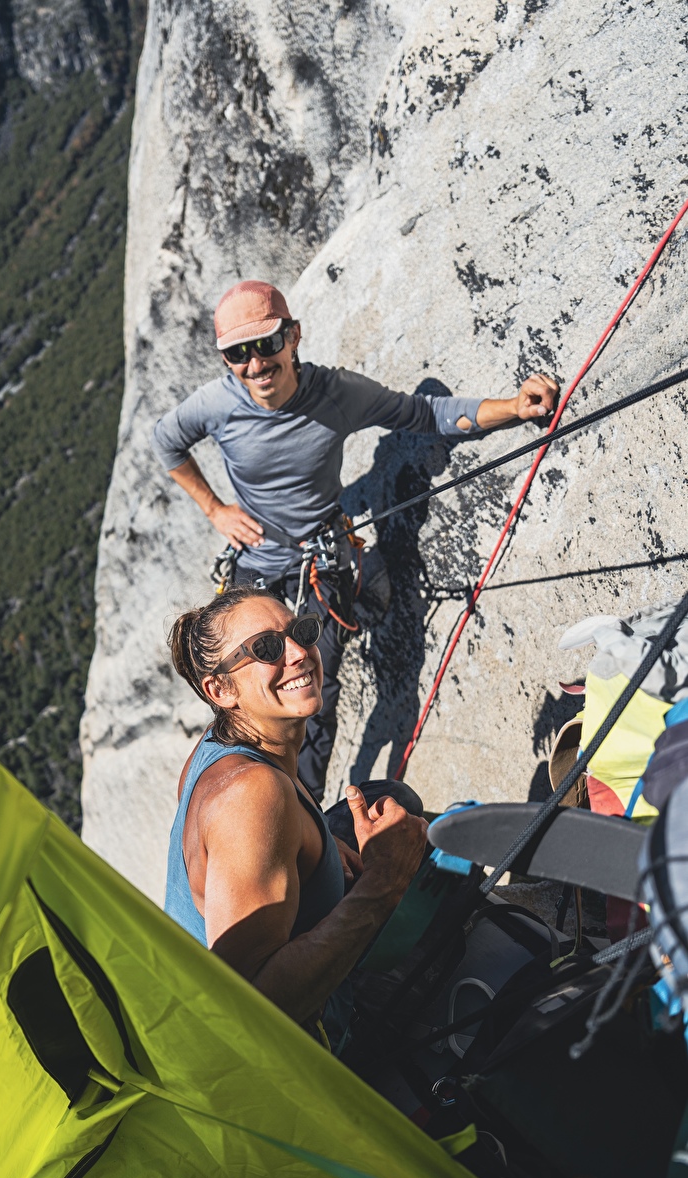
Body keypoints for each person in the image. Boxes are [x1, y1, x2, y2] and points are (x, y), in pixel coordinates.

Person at [153, 279, 560, 800]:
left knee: (313, 700)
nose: (255, 364)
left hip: (321, 562)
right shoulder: (217, 403)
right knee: (251, 701)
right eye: (237, 352)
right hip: (257, 567)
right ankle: (266, 805)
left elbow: (424, 414)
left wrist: (513, 407)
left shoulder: (337, 394)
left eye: (267, 344)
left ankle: (305, 816)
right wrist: (215, 509)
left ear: (293, 336)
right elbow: (167, 442)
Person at [165, 583, 430, 1050]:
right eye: (265, 648)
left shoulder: (221, 746)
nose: (298, 653)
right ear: (220, 689)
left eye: (301, 632)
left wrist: (324, 846)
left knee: (391, 796)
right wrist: (384, 883)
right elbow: (256, 1010)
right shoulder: (251, 795)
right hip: (287, 1056)